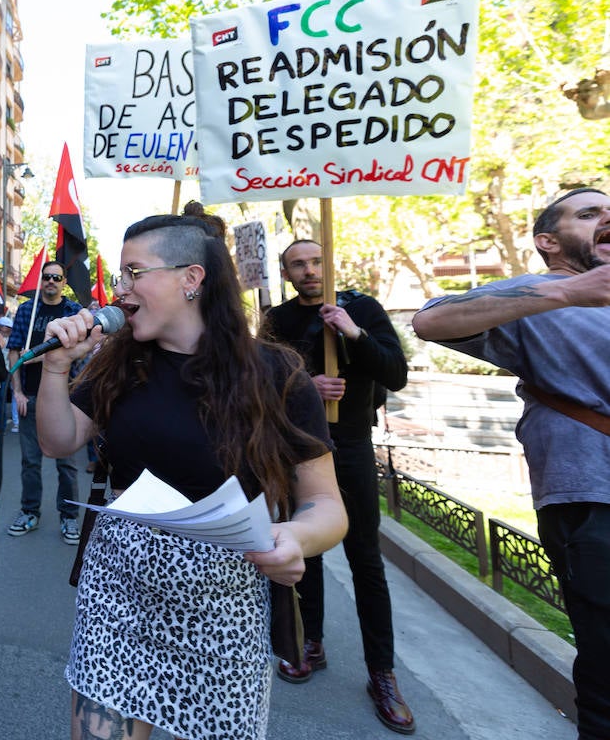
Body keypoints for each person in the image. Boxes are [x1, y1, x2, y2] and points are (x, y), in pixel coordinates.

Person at [35, 212, 347, 740]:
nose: (121, 289)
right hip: (119, 593)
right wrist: (55, 368)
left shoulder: (276, 374)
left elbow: (328, 506)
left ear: (190, 279)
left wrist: (293, 537)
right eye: (120, 277)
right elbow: (58, 441)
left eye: (135, 273)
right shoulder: (117, 363)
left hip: (222, 607)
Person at [411, 187, 610, 740]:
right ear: (548, 241)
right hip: (593, 495)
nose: (607, 218)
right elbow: (430, 321)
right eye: (589, 213)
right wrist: (571, 291)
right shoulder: (540, 292)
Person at [261, 239, 414, 733]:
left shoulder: (361, 307)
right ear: (286, 273)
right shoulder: (277, 321)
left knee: (365, 558)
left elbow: (395, 371)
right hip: (299, 448)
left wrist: (353, 332)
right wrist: (304, 385)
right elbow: (259, 388)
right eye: (298, 265)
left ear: (330, 263)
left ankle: (382, 673)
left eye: (316, 261)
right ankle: (310, 641)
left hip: (349, 445)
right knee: (304, 550)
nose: (309, 271)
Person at [6, 261, 84, 543]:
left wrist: (36, 355)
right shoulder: (27, 310)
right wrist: (17, 393)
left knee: (66, 462)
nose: (51, 281)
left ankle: (69, 517)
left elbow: (74, 352)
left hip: (64, 398)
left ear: (64, 283)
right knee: (30, 461)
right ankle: (30, 512)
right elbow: (15, 351)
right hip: (30, 394)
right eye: (47, 277)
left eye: (57, 278)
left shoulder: (73, 312)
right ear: (41, 281)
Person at [0, 315, 16, 432]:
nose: (8, 329)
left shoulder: (12, 339)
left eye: (9, 327)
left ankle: (2, 424)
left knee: (4, 398)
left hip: (9, 371)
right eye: (6, 326)